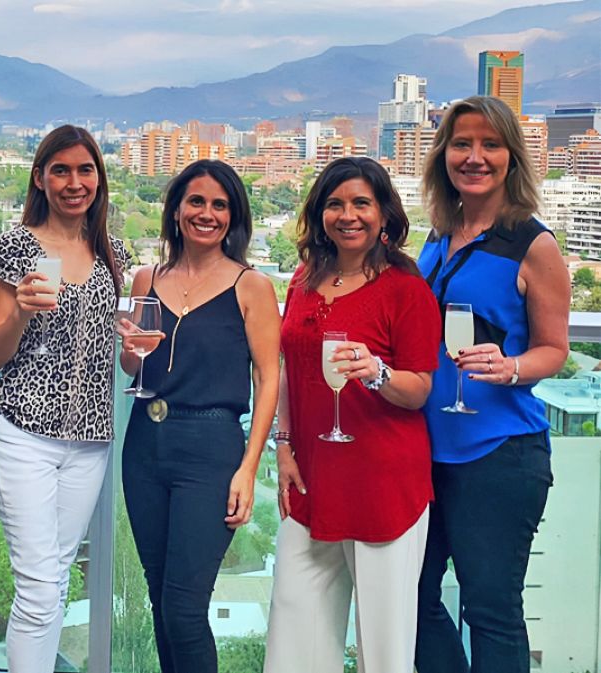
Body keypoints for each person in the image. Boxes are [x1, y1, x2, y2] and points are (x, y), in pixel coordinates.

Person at [264, 157, 441, 673]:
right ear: (320, 214)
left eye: (361, 202)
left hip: (383, 482)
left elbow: (419, 390)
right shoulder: (302, 280)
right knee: (293, 631)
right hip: (312, 477)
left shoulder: (406, 290)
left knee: (383, 648)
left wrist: (378, 372)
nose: (348, 215)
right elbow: (291, 366)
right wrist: (284, 444)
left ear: (384, 213)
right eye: (335, 204)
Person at [414, 96, 569, 673]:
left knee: (491, 609)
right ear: (444, 155)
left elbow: (555, 349)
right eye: (462, 144)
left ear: (511, 158)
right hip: (426, 452)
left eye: (489, 145)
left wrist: (511, 367)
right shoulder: (437, 237)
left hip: (500, 454)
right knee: (414, 598)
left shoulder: (535, 245)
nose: (474, 157)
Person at [119, 159, 281, 673]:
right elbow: (134, 363)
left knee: (185, 609)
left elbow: (268, 379)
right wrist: (131, 350)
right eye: (196, 201)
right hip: (144, 442)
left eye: (219, 204)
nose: (206, 213)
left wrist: (249, 468)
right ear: (176, 209)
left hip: (210, 449)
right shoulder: (149, 276)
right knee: (160, 599)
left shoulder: (250, 285)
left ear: (233, 217)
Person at [0, 125, 128, 673]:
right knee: (40, 587)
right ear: (40, 178)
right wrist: (20, 309)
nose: (73, 182)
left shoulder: (108, 248)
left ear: (99, 177)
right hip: (24, 433)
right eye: (60, 170)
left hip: (89, 440)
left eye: (85, 170)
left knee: (57, 581)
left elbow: (109, 341)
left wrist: (131, 343)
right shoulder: (13, 249)